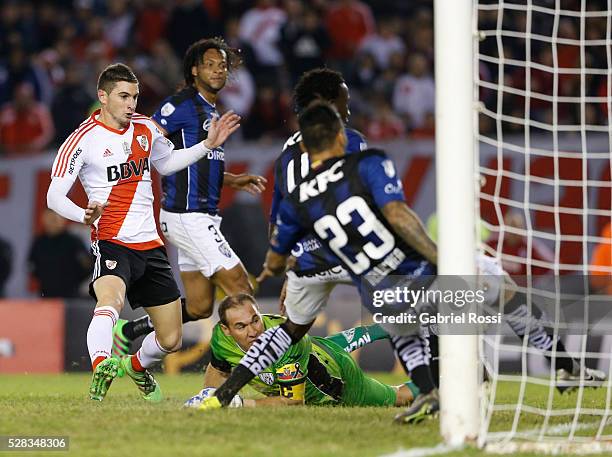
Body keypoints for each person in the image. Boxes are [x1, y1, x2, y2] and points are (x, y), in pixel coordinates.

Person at [200, 101, 440, 423]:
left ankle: (226, 397)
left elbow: (277, 251)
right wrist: (437, 256)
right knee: (423, 313)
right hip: (376, 262)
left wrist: (278, 271)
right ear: (341, 138)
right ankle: (443, 381)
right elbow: (397, 213)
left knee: (288, 335)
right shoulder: (369, 162)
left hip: (313, 269)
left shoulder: (297, 197)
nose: (251, 329)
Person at [46, 62, 240, 402]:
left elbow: (166, 164)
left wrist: (206, 145)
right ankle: (102, 365)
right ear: (103, 97)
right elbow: (53, 196)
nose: (131, 104)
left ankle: (136, 366)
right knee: (111, 300)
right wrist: (84, 215)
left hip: (151, 246)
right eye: (123, 96)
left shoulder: (146, 129)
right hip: (111, 241)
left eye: (134, 97)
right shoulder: (82, 140)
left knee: (171, 339)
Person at [110, 38, 266, 357]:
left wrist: (233, 179)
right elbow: (145, 138)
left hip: (199, 216)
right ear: (195, 70)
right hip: (186, 215)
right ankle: (253, 367)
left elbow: (199, 163)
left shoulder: (210, 110)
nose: (218, 70)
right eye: (210, 64)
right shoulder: (180, 104)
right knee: (240, 286)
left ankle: (132, 331)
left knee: (199, 307)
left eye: (223, 65)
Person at [185, 294, 417, 408]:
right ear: (225, 330)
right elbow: (218, 368)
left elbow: (293, 402)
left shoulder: (284, 343)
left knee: (399, 397)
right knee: (357, 336)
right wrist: (209, 398)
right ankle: (404, 322)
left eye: (255, 320)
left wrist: (240, 404)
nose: (253, 331)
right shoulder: (220, 339)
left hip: (337, 380)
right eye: (241, 326)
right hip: (318, 346)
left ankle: (446, 381)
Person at [28, 209, 91, 298]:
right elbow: (32, 265)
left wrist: (71, 281)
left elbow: (87, 266)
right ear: (43, 219)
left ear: (63, 220)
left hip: (70, 296)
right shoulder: (39, 242)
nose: (52, 223)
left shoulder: (73, 242)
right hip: (46, 294)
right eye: (50, 219)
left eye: (55, 219)